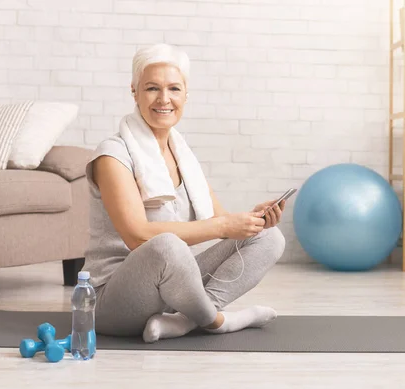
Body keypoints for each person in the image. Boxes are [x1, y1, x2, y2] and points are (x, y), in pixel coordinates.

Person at [81, 43, 287, 343]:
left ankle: (184, 320)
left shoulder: (182, 153)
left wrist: (254, 220)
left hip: (173, 287)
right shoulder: (112, 155)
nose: (164, 99)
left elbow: (221, 221)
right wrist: (223, 226)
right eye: (152, 88)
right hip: (112, 299)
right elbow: (138, 236)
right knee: (166, 245)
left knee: (269, 237)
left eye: (174, 89)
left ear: (186, 95)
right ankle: (219, 320)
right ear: (134, 92)